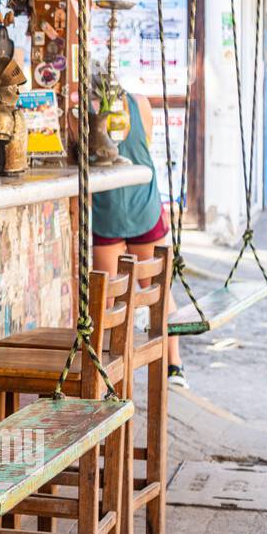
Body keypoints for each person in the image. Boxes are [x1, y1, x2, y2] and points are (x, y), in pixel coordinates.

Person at [91, 91, 187, 389]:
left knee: (107, 297)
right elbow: (144, 143)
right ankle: (174, 366)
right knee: (157, 290)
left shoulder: (85, 108)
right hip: (140, 203)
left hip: (113, 208)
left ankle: (106, 375)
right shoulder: (140, 104)